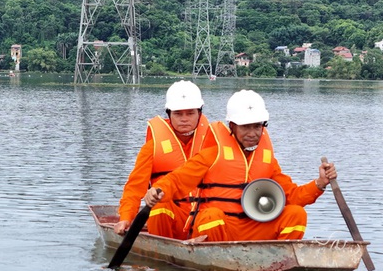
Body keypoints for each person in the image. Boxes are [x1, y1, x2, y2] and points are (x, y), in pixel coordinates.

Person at [143, 89, 337, 242]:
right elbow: (178, 180)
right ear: (232, 126)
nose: (252, 133)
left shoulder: (267, 160)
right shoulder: (212, 154)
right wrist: (158, 190)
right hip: (218, 229)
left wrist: (320, 183)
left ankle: (277, 259)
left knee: (296, 213)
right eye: (245, 127)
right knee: (211, 216)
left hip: (253, 229)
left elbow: (292, 196)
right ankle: (216, 263)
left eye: (257, 126)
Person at [114, 80, 214, 239]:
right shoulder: (153, 147)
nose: (184, 119)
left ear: (199, 113)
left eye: (190, 113)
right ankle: (164, 248)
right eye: (178, 114)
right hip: (169, 218)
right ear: (169, 113)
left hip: (202, 217)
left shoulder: (214, 143)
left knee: (214, 215)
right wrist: (125, 218)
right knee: (159, 206)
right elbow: (134, 187)